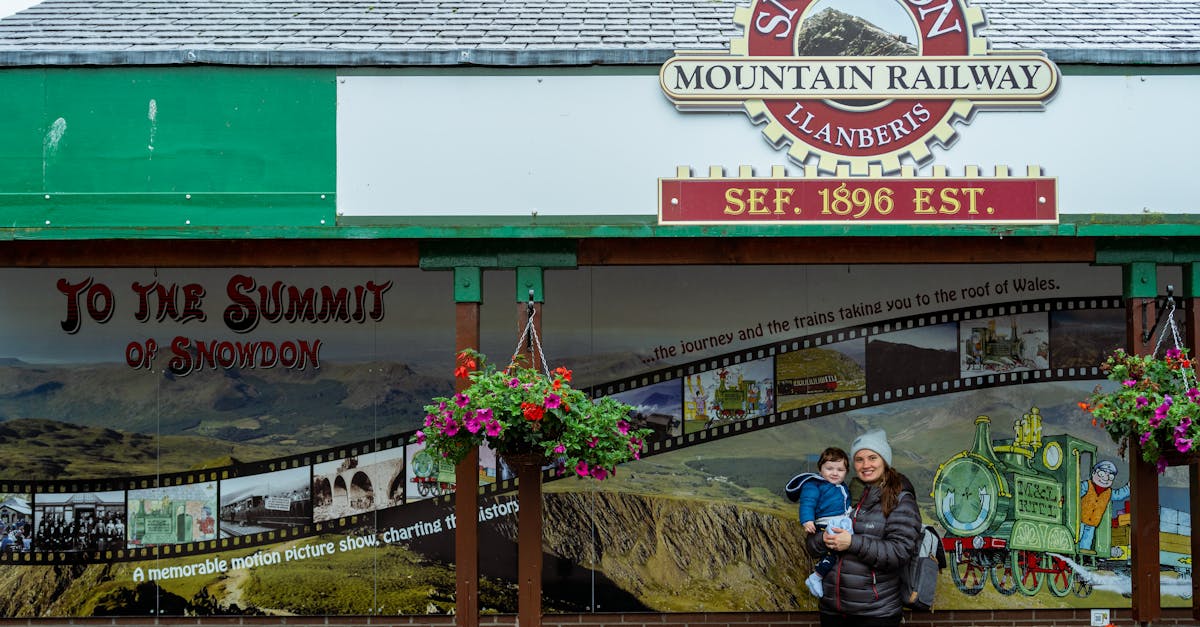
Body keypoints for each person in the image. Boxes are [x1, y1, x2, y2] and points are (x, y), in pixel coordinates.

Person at [806, 429, 920, 627]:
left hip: (876, 614)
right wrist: (823, 539)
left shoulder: (901, 500)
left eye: (872, 457)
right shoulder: (842, 495)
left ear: (884, 460)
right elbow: (810, 545)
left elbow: (899, 553)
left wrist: (852, 543)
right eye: (859, 459)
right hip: (832, 610)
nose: (866, 465)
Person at [784, 447, 852, 598]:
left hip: (839, 522)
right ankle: (816, 577)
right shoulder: (814, 485)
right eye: (829, 468)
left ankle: (821, 576)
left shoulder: (842, 486)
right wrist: (807, 519)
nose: (834, 473)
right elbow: (808, 502)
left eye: (840, 470)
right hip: (825, 524)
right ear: (820, 469)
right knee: (833, 551)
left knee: (842, 548)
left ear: (846, 471)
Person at [1078, 459, 1129, 552]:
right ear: (1094, 473)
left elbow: (1119, 494)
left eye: (1110, 477)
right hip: (1080, 519)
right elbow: (1076, 493)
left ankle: (1083, 555)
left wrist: (1128, 487)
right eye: (1102, 474)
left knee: (1087, 540)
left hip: (1093, 522)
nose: (1105, 478)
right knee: (1077, 536)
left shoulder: (1109, 492)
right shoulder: (1086, 485)